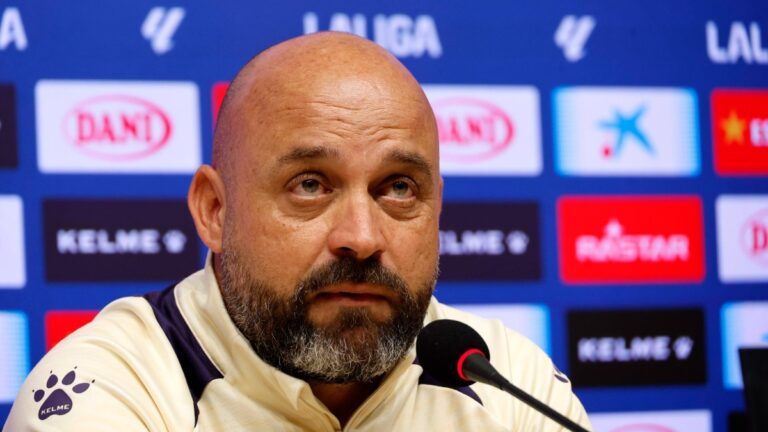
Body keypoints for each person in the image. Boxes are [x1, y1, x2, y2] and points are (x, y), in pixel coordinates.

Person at [4, 32, 591, 431]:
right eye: (310, 185)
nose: (361, 237)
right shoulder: (114, 389)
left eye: (398, 188)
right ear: (214, 210)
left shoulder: (507, 382)